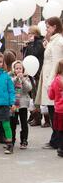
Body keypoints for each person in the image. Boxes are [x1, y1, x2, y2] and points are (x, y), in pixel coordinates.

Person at [36, 17, 63, 150]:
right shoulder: (54, 41)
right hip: (48, 77)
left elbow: (57, 63)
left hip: (51, 80)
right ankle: (55, 139)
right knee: (52, 111)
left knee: (54, 111)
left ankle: (57, 140)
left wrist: (51, 82)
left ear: (54, 27)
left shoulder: (58, 42)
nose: (46, 29)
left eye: (48, 27)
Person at [23, 26, 46, 127]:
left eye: (30, 33)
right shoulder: (31, 44)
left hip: (38, 71)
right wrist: (25, 47)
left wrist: (30, 45)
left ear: (35, 34)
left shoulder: (39, 42)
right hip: (32, 71)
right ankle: (36, 116)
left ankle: (43, 118)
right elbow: (27, 56)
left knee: (38, 94)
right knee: (33, 94)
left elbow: (35, 53)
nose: (28, 35)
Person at [10, 60, 32, 149]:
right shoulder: (11, 78)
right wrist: (16, 79)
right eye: (16, 68)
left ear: (23, 69)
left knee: (24, 123)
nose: (18, 70)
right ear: (14, 70)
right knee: (12, 124)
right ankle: (11, 140)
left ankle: (24, 140)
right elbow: (9, 85)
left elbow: (29, 88)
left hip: (23, 104)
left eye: (20, 68)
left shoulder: (26, 78)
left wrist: (22, 79)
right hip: (14, 104)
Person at [48, 59, 63, 158]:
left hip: (59, 110)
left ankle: (61, 148)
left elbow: (51, 96)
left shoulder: (55, 81)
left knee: (60, 130)